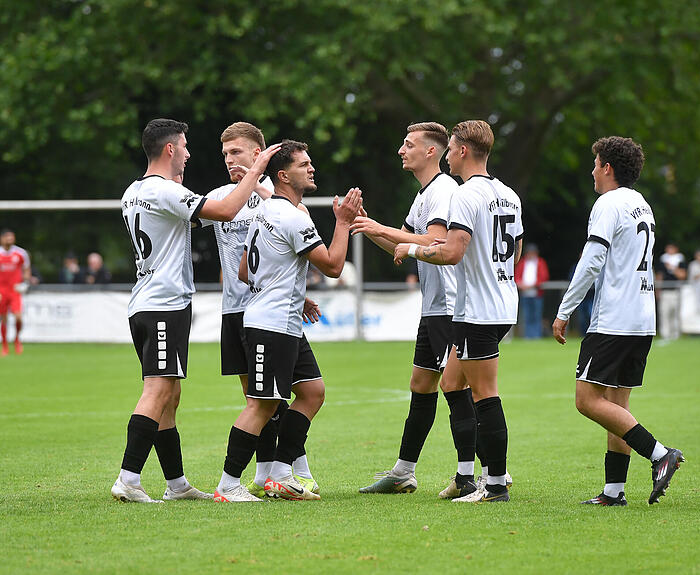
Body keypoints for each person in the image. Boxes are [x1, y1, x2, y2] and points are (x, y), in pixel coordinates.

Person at [111, 118, 280, 503]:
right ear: (170, 149)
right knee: (157, 390)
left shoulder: (133, 191)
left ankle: (176, 485)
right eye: (185, 147)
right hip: (164, 303)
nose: (189, 154)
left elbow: (203, 214)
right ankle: (128, 478)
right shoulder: (165, 191)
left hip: (145, 301)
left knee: (169, 393)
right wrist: (256, 171)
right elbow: (224, 211)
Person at [213, 139, 361, 502]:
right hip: (271, 324)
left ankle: (281, 473)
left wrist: (295, 291)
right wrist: (343, 221)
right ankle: (228, 484)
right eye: (303, 164)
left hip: (284, 320)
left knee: (312, 393)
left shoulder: (263, 212)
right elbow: (334, 266)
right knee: (261, 405)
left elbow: (246, 271)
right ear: (283, 175)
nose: (311, 168)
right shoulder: (291, 216)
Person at [394, 119, 522, 503]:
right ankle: (467, 476)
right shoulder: (509, 194)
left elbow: (450, 252)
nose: (448, 155)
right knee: (451, 383)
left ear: (463, 150)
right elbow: (514, 250)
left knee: (484, 393)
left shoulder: (466, 195)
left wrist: (413, 249)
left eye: (450, 148)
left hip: (476, 311)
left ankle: (495, 484)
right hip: (501, 303)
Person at [552, 136, 684, 506]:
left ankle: (660, 455)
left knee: (586, 399)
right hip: (642, 318)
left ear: (607, 168)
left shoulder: (608, 203)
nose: (592, 171)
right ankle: (614, 491)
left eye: (595, 164)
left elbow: (592, 260)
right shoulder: (641, 204)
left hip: (614, 318)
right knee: (617, 406)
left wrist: (565, 310)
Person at [198, 122, 319, 499]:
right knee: (260, 400)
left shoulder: (277, 201)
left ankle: (295, 470)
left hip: (270, 309)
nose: (230, 160)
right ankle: (267, 474)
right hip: (235, 311)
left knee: (281, 396)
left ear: (259, 153)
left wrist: (298, 297)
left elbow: (280, 261)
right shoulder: (222, 198)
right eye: (225, 155)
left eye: (237, 152)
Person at [350, 122, 459, 494]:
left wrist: (379, 226)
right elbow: (403, 248)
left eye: (409, 144)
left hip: (451, 307)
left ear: (432, 151)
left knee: (458, 388)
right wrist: (369, 227)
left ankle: (480, 474)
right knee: (421, 384)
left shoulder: (444, 190)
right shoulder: (424, 194)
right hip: (433, 309)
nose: (401, 150)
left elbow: (435, 241)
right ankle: (403, 472)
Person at [0, 229, 30, 356]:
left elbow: (27, 269)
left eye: (12, 237)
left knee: (18, 317)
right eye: (7, 237)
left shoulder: (20, 253)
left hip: (14, 290)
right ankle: (5, 344)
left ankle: (17, 339)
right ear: (2, 239)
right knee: (4, 318)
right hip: (1, 290)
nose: (10, 239)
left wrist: (25, 283)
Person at [515, 243, 549, 338]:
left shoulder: (540, 262)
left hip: (536, 294)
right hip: (525, 294)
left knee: (536, 317)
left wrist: (531, 285)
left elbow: (543, 277)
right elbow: (517, 276)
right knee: (526, 317)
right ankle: (528, 337)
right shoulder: (522, 263)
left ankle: (536, 336)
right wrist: (521, 284)